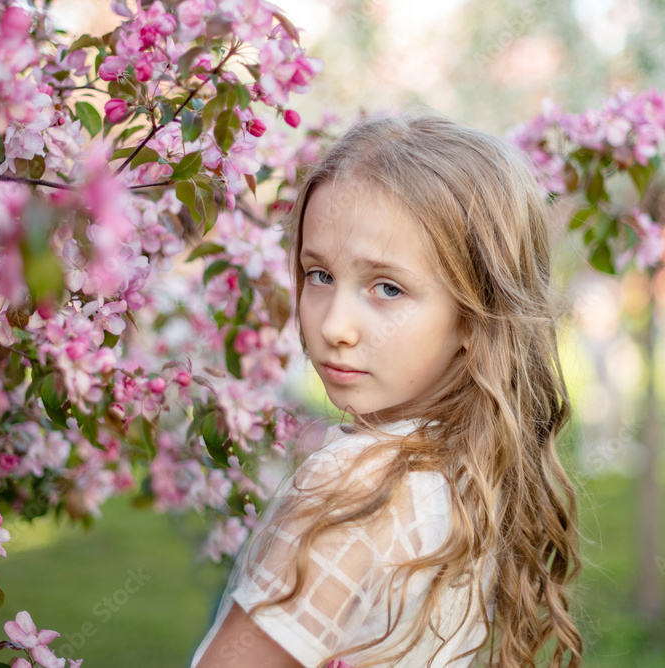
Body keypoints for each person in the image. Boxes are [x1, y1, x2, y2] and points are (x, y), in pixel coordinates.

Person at [191, 111, 582, 668]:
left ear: (477, 318)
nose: (333, 327)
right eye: (319, 275)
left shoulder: (356, 481)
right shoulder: (469, 470)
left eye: (387, 288)